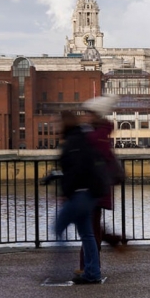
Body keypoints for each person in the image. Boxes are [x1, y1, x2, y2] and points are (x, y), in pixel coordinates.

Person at [54, 110, 106, 284]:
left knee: (58, 228)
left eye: (57, 123)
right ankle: (93, 273)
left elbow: (74, 171)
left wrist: (66, 193)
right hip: (89, 194)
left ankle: (60, 269)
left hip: (78, 195)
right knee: (87, 234)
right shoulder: (82, 138)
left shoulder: (72, 142)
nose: (55, 126)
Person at [78, 95, 125, 274]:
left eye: (88, 113)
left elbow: (91, 160)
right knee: (92, 230)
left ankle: (89, 268)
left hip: (92, 190)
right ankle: (93, 263)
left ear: (96, 115)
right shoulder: (99, 134)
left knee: (90, 231)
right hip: (96, 190)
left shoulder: (95, 136)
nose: (85, 116)